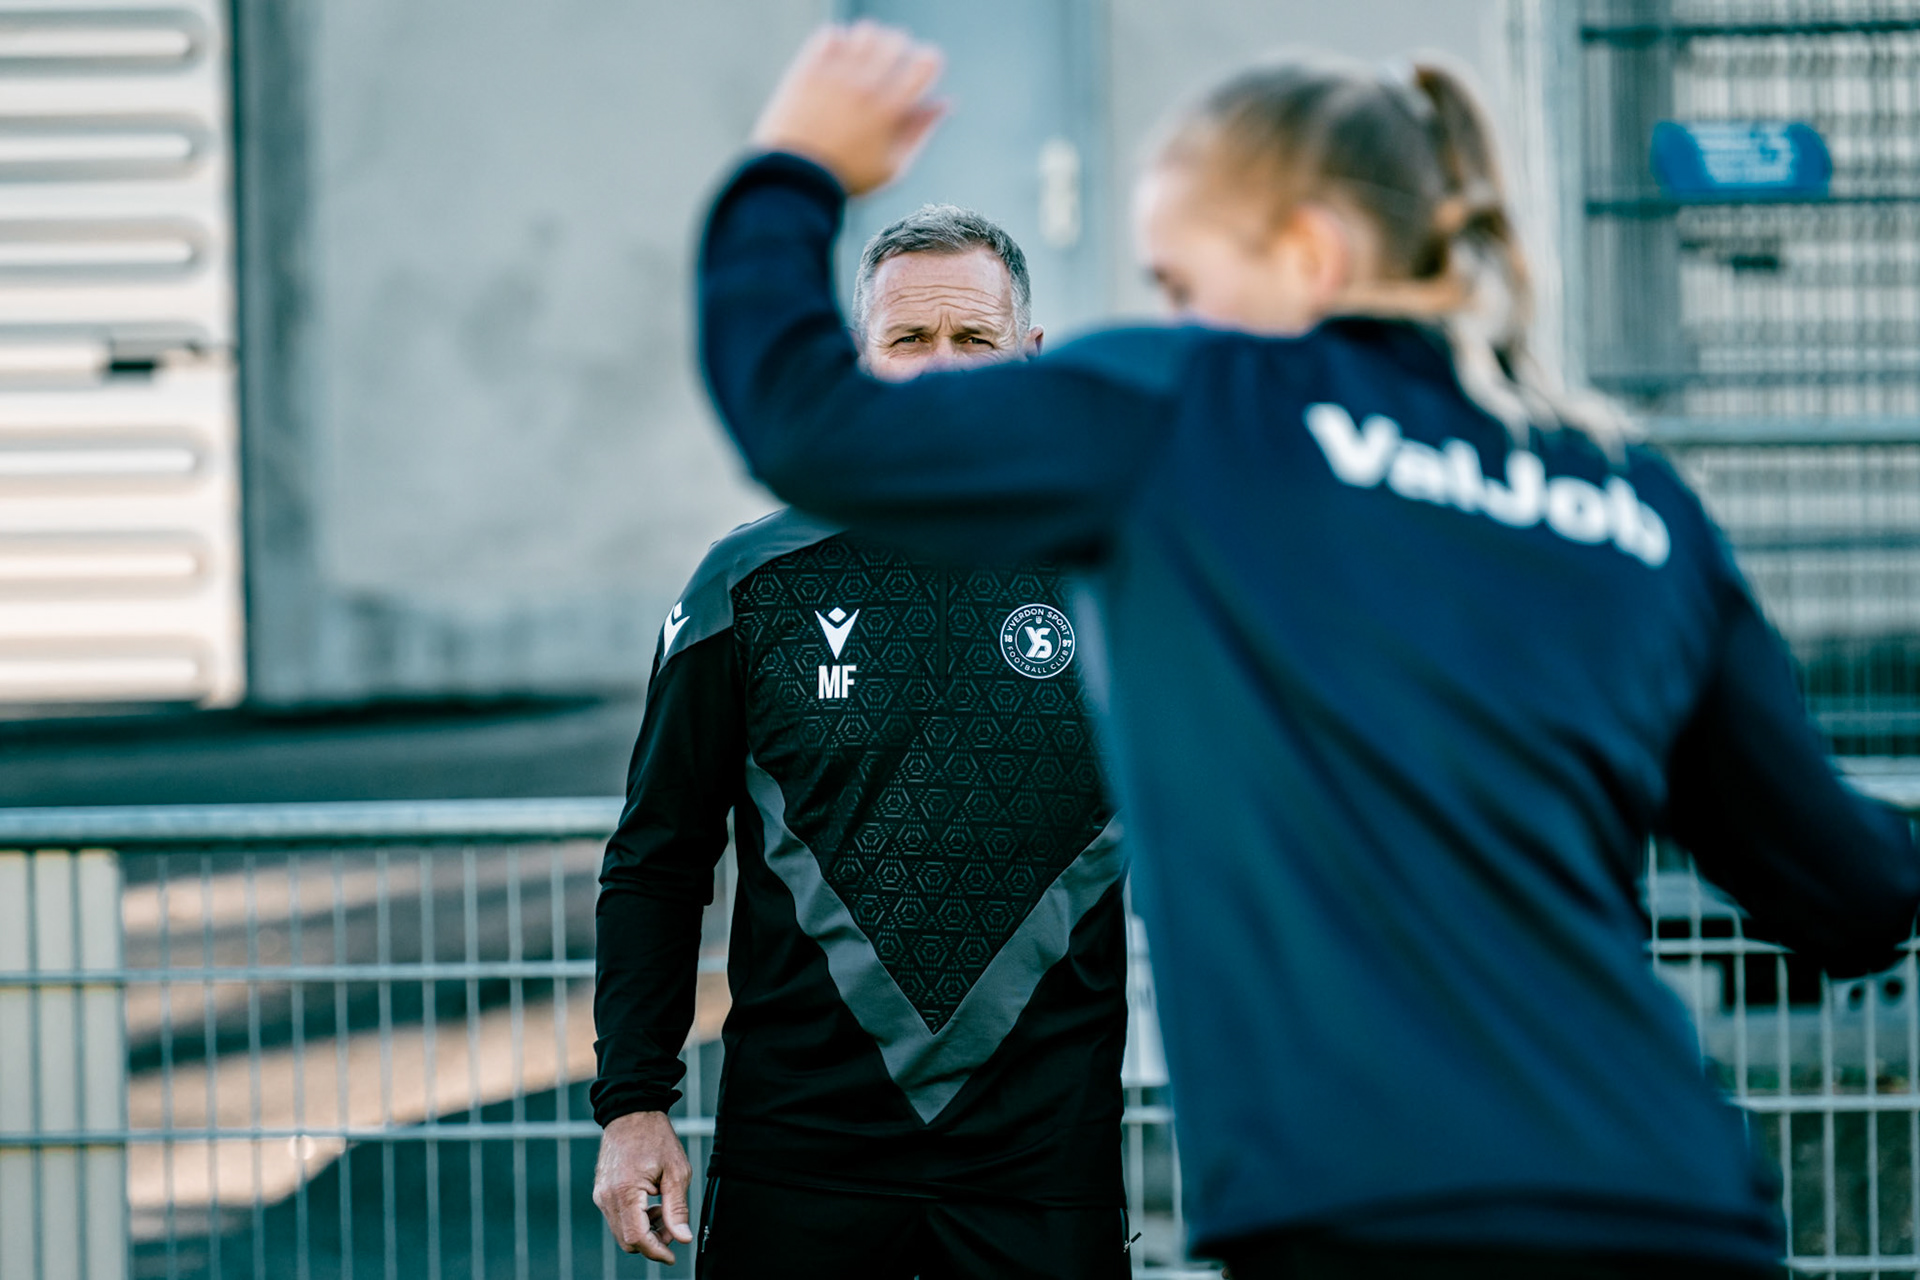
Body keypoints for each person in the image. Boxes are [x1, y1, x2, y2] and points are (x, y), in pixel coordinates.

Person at [692, 22, 1920, 1280]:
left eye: (1181, 282)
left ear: (1310, 252)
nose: (1172, 317)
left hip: (1376, 1217)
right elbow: (1852, 886)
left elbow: (803, 415)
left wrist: (795, 164)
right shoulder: (1628, 496)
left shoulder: (1200, 414)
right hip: (1677, 1209)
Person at [591, 204, 1133, 1279]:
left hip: (1042, 1159)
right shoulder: (743, 584)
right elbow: (658, 856)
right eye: (910, 340)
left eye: (974, 341)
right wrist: (634, 1100)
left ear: (1029, 356)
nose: (941, 369)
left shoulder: (1121, 575)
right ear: (861, 359)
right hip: (802, 1155)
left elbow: (1234, 848)